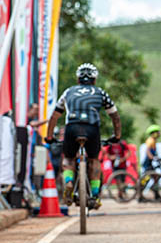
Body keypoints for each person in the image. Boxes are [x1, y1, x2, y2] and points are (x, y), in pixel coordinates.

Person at [45, 63, 121, 209]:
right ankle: (95, 194)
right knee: (94, 159)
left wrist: (49, 137)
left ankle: (68, 181)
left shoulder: (68, 91)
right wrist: (116, 136)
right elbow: (115, 117)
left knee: (68, 157)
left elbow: (54, 117)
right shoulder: (100, 92)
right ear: (95, 79)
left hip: (72, 127)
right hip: (92, 128)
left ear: (78, 79)